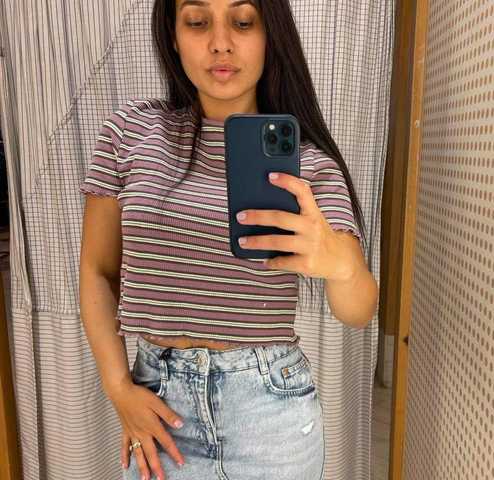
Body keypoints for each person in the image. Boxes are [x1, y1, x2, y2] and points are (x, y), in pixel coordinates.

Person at [78, 0, 378, 478]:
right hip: (158, 409)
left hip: (271, 414)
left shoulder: (307, 166)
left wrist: (340, 265)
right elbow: (98, 271)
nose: (220, 43)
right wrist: (119, 389)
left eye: (242, 22)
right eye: (197, 22)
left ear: (269, 34)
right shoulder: (131, 132)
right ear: (173, 35)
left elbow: (358, 310)